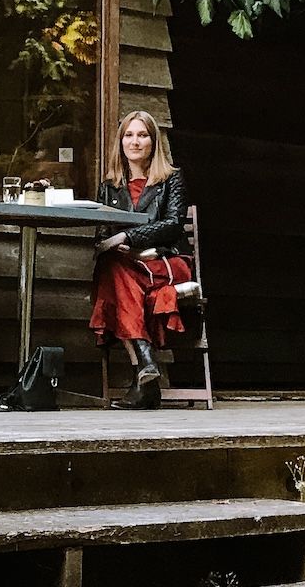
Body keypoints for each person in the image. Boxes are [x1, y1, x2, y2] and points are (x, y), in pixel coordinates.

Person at [89, 110, 190, 410]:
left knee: (113, 278)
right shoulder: (109, 186)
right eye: (129, 135)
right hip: (126, 267)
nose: (135, 142)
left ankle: (144, 366)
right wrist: (115, 246)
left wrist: (129, 239)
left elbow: (173, 224)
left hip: (166, 262)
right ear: (121, 143)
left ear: (153, 141)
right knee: (114, 268)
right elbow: (101, 236)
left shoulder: (172, 179)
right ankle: (146, 373)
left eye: (142, 135)